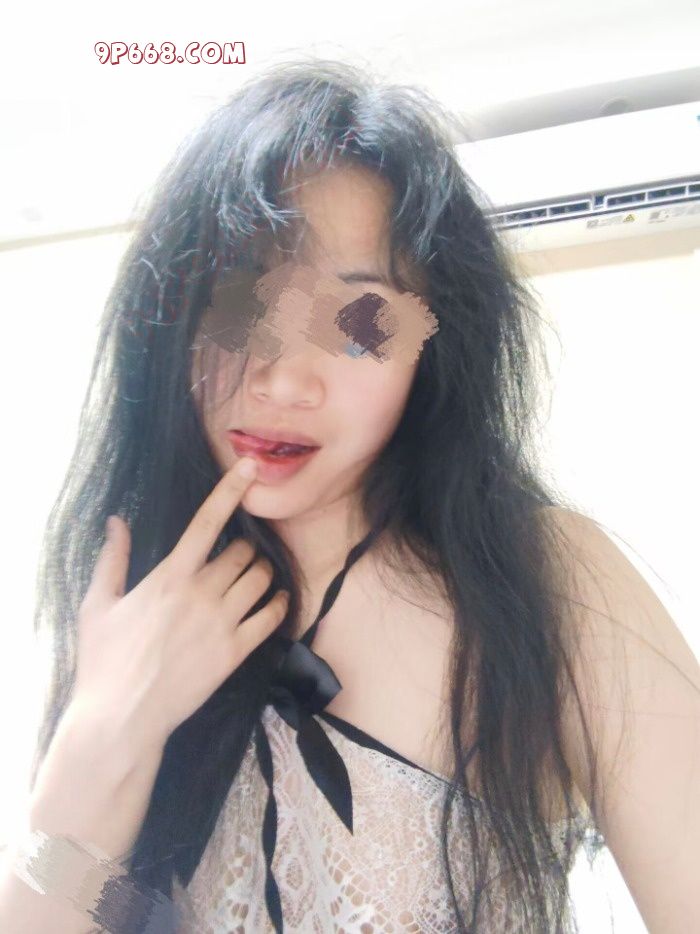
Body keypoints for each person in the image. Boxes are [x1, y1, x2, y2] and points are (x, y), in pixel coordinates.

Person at [2, 59, 699, 934]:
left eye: (361, 324)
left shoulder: (546, 581)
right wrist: (105, 734)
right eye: (237, 303)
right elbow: (99, 915)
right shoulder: (133, 603)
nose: (283, 380)